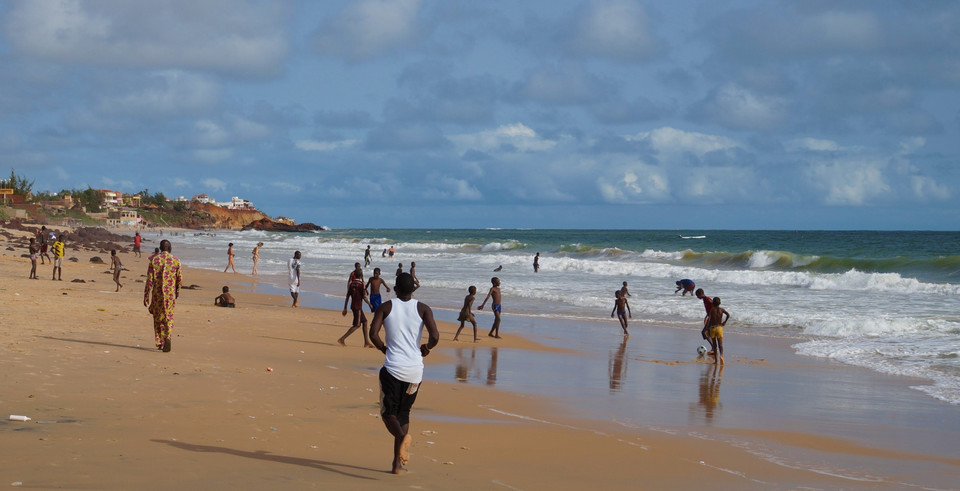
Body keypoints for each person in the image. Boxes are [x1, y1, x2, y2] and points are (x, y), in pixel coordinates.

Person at [368, 272, 440, 475]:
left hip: (393, 369)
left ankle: (402, 439)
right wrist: (426, 347)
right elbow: (435, 336)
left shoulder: (386, 307)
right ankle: (396, 466)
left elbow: (373, 334)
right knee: (404, 414)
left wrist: (384, 348)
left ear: (396, 289)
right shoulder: (423, 308)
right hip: (415, 372)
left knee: (387, 414)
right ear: (413, 289)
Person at [143, 239, 182, 353]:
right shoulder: (176, 261)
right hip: (170, 294)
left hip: (157, 294)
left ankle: (160, 342)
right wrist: (177, 292)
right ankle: (168, 336)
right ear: (170, 249)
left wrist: (146, 296)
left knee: (157, 317)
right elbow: (179, 279)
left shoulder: (154, 261)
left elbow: (149, 280)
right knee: (168, 316)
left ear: (160, 249)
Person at [339, 269, 373, 347]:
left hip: (354, 306)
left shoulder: (351, 284)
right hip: (358, 306)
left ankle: (366, 342)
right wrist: (369, 304)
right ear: (361, 275)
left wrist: (345, 307)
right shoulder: (361, 284)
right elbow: (364, 297)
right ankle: (342, 339)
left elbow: (347, 296)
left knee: (364, 322)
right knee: (357, 325)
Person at [706, 297, 730, 365]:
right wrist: (725, 322)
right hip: (719, 327)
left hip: (713, 328)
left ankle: (716, 361)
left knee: (714, 345)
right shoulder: (721, 310)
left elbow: (709, 319)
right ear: (720, 303)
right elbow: (728, 315)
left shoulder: (712, 310)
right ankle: (721, 356)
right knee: (720, 344)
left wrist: (706, 328)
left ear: (713, 303)